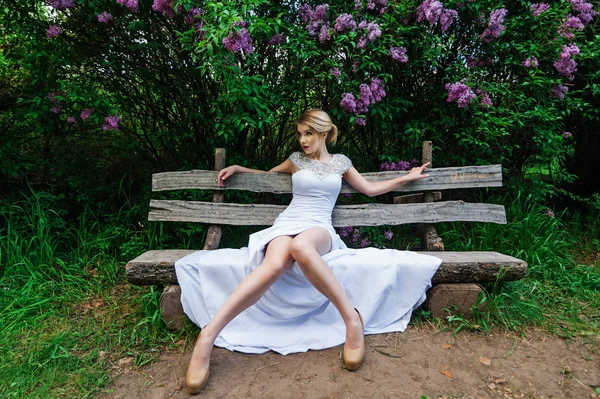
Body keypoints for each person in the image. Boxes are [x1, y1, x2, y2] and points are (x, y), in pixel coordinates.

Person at [175, 109, 441, 394]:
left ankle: (352, 320)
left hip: (318, 228)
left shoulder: (341, 163)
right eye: (300, 134)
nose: (303, 140)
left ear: (324, 134)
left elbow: (370, 189)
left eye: (308, 134)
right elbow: (267, 176)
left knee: (300, 246)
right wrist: (239, 168)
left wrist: (407, 177)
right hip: (288, 223)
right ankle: (208, 335)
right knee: (274, 263)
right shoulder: (295, 161)